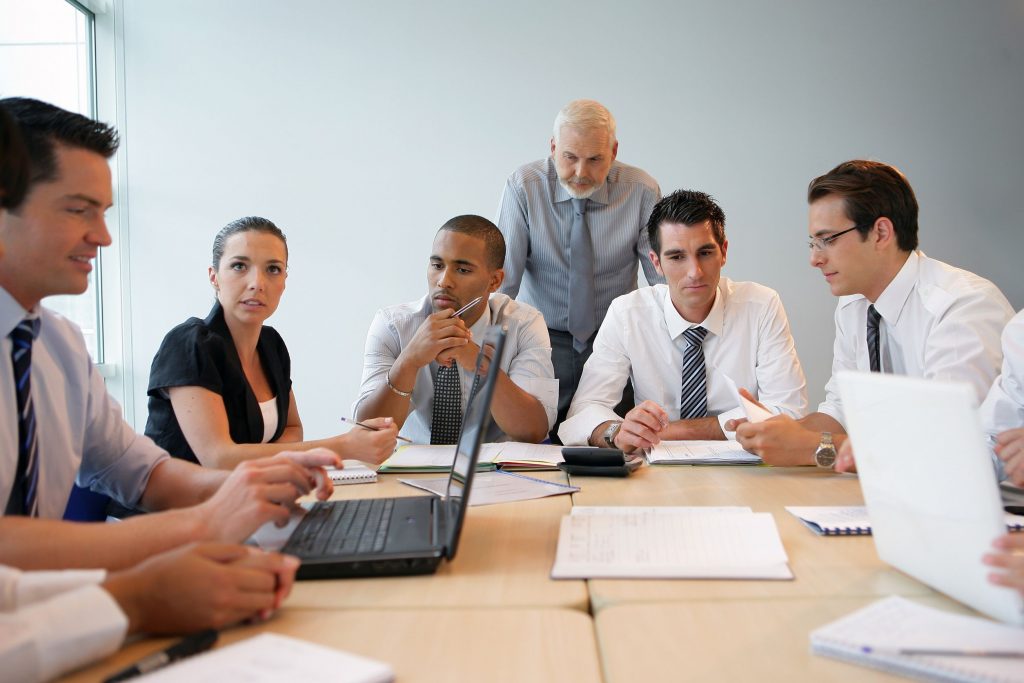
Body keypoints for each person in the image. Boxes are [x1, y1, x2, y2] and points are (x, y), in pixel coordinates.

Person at [0, 102, 299, 683]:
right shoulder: (187, 343)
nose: (103, 236)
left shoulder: (57, 344)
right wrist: (193, 535)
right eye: (78, 210)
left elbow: (148, 475)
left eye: (104, 212)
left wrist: (254, 487)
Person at [731, 160, 1014, 467]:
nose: (815, 258)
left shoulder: (961, 307)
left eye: (828, 240)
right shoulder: (854, 305)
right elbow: (841, 410)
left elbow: (947, 444)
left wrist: (816, 447)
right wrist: (776, 434)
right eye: (813, 243)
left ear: (880, 232)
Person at [558, 189, 807, 451]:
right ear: (656, 262)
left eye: (705, 253)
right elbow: (582, 413)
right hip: (657, 471)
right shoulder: (627, 313)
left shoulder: (761, 306)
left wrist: (670, 432)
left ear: (723, 252)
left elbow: (789, 412)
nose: (694, 272)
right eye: (677, 257)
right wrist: (617, 432)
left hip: (743, 467)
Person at [145, 216, 396, 468]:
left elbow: (293, 428)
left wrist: (252, 457)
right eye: (239, 266)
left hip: (246, 499)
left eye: (273, 269)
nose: (257, 283)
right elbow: (218, 459)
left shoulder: (271, 344)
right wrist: (344, 446)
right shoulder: (188, 345)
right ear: (214, 276)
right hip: (174, 505)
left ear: (284, 281)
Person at [496, 99, 662, 440]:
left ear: (614, 152)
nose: (581, 172)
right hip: (541, 340)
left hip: (613, 342)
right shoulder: (523, 187)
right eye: (570, 157)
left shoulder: (642, 191)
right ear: (553, 147)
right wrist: (487, 358)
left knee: (612, 444)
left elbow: (662, 285)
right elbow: (502, 284)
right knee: (534, 444)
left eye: (595, 159)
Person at [353, 215, 556, 444]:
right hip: (406, 469)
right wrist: (409, 361)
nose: (443, 281)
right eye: (437, 266)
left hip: (492, 472)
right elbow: (367, 431)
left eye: (462, 270)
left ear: (495, 281)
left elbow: (533, 430)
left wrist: (485, 369)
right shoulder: (393, 325)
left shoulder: (524, 324)